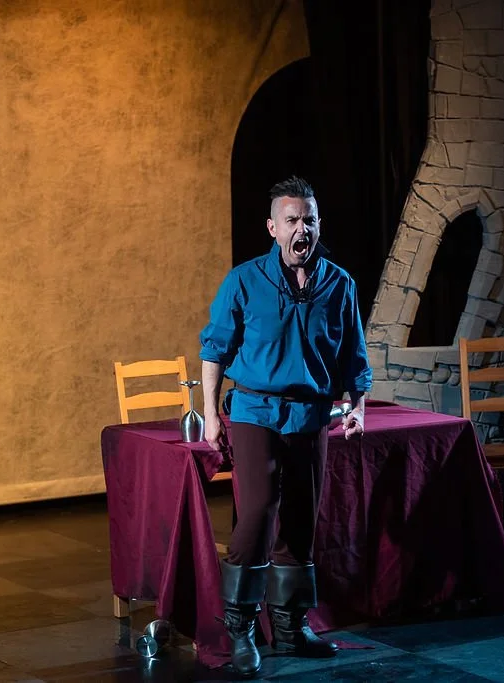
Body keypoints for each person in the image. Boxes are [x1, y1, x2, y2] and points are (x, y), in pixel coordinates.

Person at [199, 176, 373, 677]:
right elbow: (215, 350)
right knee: (256, 515)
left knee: (301, 519)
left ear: (319, 227)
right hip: (255, 412)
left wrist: (357, 405)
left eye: (310, 220)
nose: (302, 229)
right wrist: (211, 414)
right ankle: (241, 630)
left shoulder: (340, 285)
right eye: (292, 220)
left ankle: (292, 626)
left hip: (311, 415)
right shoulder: (245, 280)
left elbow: (353, 358)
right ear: (273, 227)